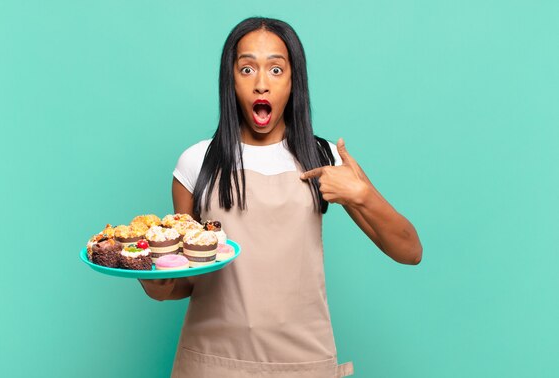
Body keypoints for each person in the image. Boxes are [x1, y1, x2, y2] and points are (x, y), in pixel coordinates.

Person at [140, 17, 422, 378]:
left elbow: (410, 251)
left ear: (293, 81)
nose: (261, 84)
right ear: (231, 80)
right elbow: (183, 281)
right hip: (212, 362)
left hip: (303, 362)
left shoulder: (324, 157)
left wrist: (362, 194)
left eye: (276, 69)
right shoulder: (196, 162)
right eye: (246, 69)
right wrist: (152, 279)